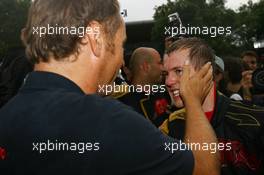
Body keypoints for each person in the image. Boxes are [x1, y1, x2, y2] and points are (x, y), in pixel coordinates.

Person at [0, 0, 219, 175]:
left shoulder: (7, 116)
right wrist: (193, 101)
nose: (121, 61)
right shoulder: (108, 121)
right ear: (95, 38)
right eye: (120, 44)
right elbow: (204, 168)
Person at [160, 37, 264, 175]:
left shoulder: (255, 120)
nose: (168, 81)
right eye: (165, 74)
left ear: (206, 72)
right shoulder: (170, 127)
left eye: (179, 71)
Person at [114, 47, 170, 126]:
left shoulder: (164, 94)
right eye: (160, 63)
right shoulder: (121, 103)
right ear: (145, 67)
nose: (163, 68)